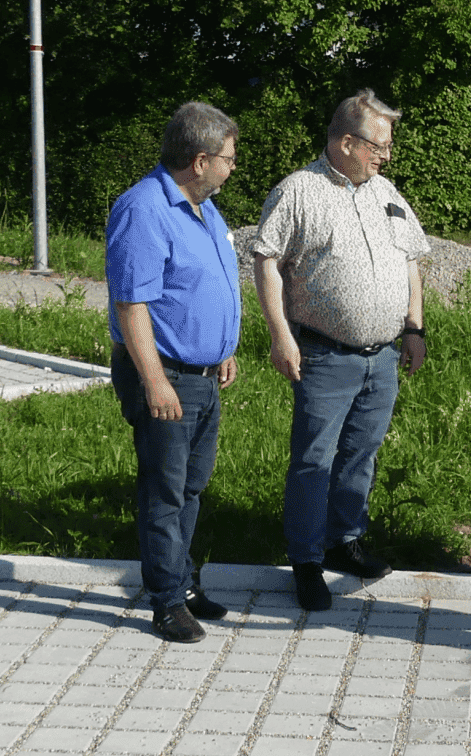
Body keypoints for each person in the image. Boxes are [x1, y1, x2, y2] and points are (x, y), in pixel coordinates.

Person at [253, 88, 431, 612]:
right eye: (379, 144)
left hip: (382, 356)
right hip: (324, 356)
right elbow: (265, 260)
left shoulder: (386, 191)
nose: (387, 154)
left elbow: (412, 263)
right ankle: (306, 562)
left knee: (361, 455)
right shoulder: (298, 191)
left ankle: (344, 542)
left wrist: (414, 329)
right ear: (347, 142)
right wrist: (279, 335)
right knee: (313, 460)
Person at [106, 101, 243, 644]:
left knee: (190, 488)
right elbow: (131, 304)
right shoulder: (144, 209)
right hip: (166, 374)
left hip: (205, 374)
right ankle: (165, 602)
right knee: (164, 491)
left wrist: (224, 347)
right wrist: (156, 380)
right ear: (199, 158)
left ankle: (182, 585)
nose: (233, 167)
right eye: (229, 159)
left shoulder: (206, 209)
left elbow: (203, 287)